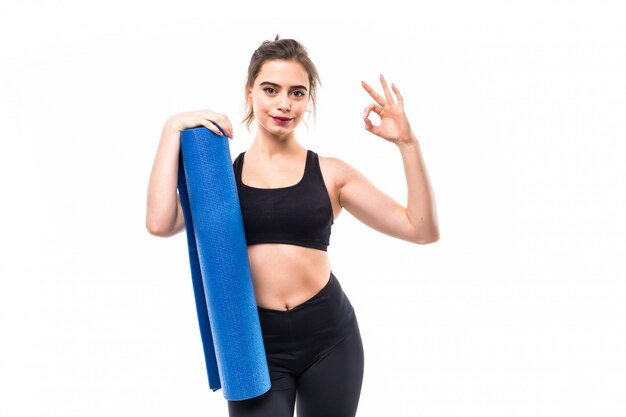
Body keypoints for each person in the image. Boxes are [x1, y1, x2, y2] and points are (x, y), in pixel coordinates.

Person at [146, 36, 439, 417]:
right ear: (251, 92)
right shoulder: (221, 179)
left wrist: (407, 143)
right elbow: (159, 222)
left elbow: (421, 229)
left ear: (308, 99)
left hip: (330, 339)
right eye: (271, 90)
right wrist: (171, 130)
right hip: (254, 344)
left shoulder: (332, 174)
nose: (284, 104)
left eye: (297, 93)